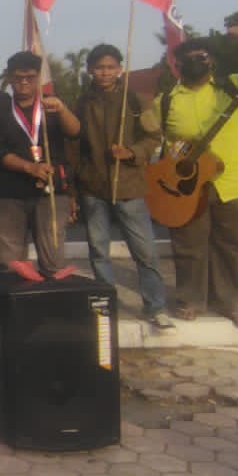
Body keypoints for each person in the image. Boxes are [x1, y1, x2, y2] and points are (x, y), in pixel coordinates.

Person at [159, 26, 238, 328]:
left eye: (201, 56)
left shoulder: (234, 88)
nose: (195, 62)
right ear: (177, 66)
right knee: (189, 244)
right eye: (187, 58)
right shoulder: (166, 101)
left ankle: (229, 302)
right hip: (189, 185)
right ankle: (190, 299)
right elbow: (162, 140)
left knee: (233, 244)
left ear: (212, 62)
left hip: (235, 182)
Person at [70, 44, 174, 331]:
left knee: (145, 252)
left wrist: (132, 152)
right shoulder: (83, 102)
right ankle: (107, 305)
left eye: (110, 67)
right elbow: (75, 146)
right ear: (91, 69)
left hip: (128, 185)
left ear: (119, 69)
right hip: (94, 186)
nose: (105, 72)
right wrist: (75, 189)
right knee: (98, 251)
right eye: (100, 67)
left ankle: (155, 306)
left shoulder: (136, 100)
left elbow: (154, 137)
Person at [0, 51, 80, 281]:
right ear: (10, 79)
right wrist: (31, 168)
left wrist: (63, 110)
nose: (24, 82)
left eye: (29, 76)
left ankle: (52, 305)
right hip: (11, 192)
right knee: (11, 259)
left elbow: (76, 132)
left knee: (53, 256)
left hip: (51, 191)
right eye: (18, 77)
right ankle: (16, 305)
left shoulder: (52, 106)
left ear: (38, 77)